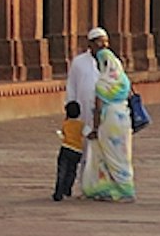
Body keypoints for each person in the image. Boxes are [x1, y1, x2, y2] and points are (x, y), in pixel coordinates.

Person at [77, 29, 138, 201]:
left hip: (109, 121)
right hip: (123, 119)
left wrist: (95, 129)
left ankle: (113, 189)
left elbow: (98, 108)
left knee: (107, 156)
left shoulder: (103, 83)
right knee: (122, 156)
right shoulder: (123, 81)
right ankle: (122, 187)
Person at [54, 28, 103, 200]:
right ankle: (84, 186)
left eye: (105, 41)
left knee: (100, 151)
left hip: (103, 113)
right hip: (82, 112)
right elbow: (72, 86)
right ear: (90, 44)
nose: (102, 45)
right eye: (99, 41)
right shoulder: (79, 62)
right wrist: (70, 109)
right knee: (82, 151)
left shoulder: (111, 61)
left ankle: (99, 185)